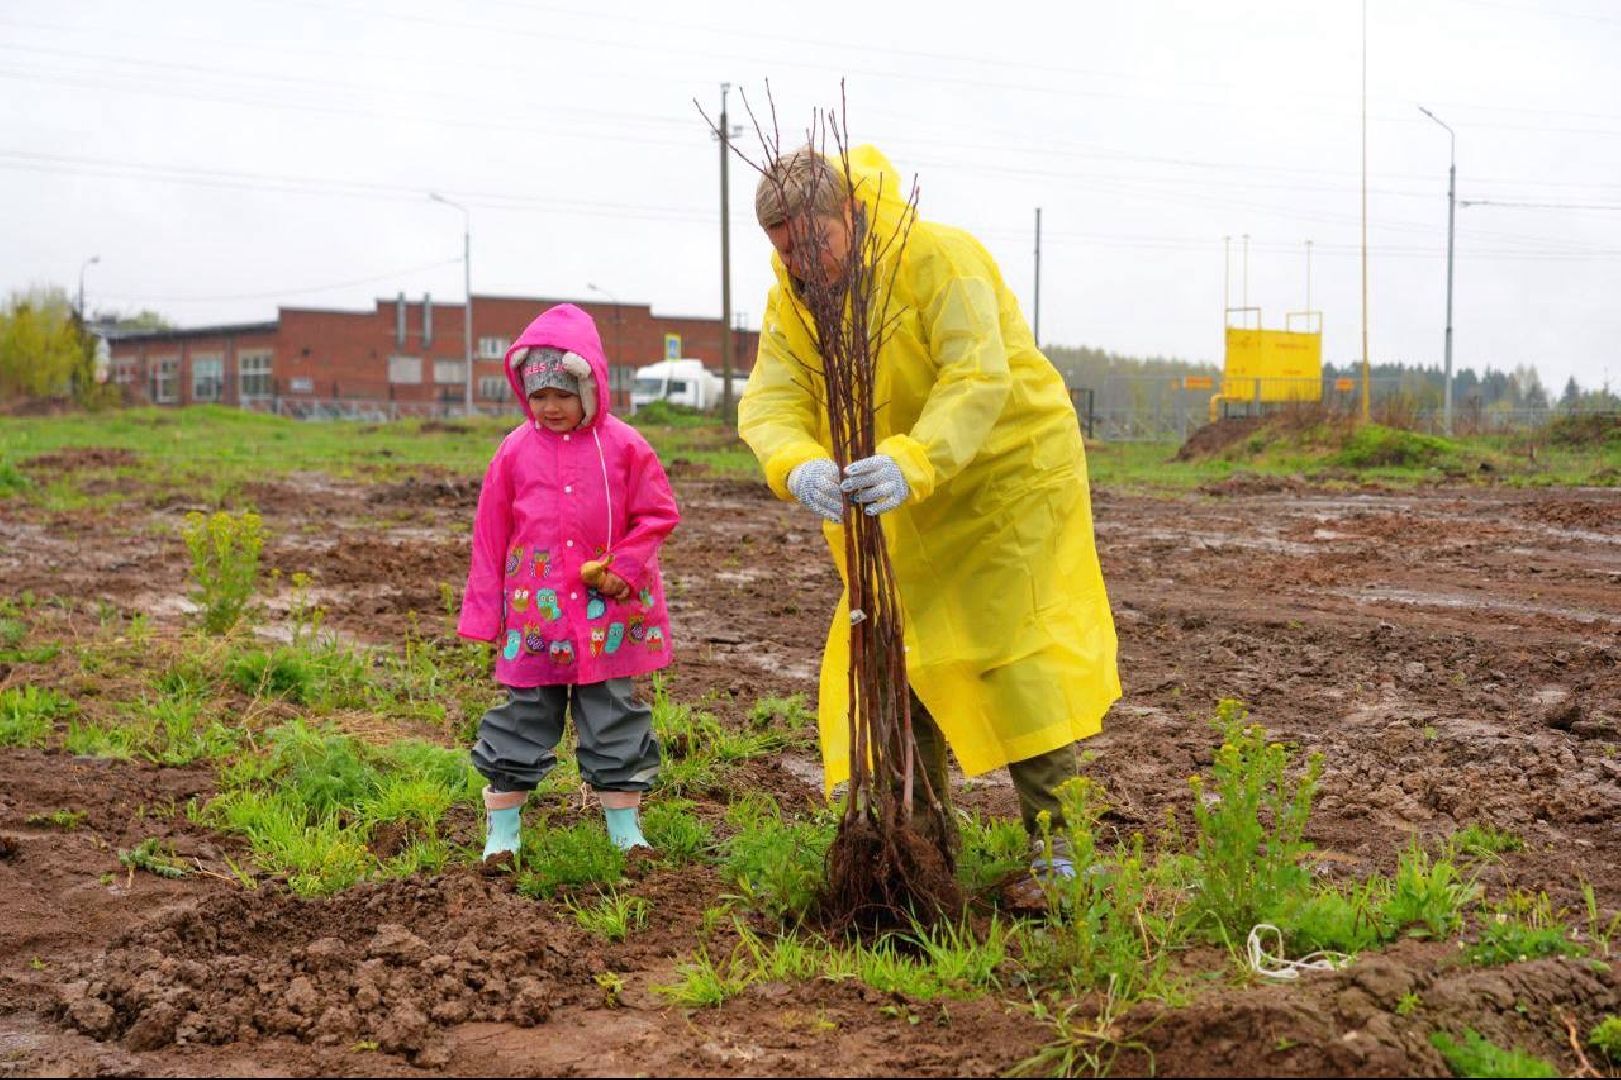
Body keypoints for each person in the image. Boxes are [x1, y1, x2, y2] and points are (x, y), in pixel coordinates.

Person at [737, 146, 1121, 902]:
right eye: (787, 252)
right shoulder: (792, 302)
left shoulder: (939, 256)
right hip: (890, 494)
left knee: (1018, 657)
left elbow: (976, 373)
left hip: (999, 482)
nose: (805, 265)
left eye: (815, 244)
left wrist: (913, 461)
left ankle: (1058, 851)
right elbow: (771, 403)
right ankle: (920, 844)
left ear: (849, 212)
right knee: (897, 654)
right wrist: (797, 463)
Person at [457, 303, 680, 868]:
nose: (550, 407)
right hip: (537, 619)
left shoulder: (626, 446)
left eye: (563, 394)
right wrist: (483, 616)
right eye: (539, 397)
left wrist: (624, 568)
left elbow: (657, 515)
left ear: (591, 387)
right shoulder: (513, 451)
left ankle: (625, 831)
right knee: (523, 714)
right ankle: (502, 832)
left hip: (609, 613)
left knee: (614, 714)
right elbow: (490, 535)